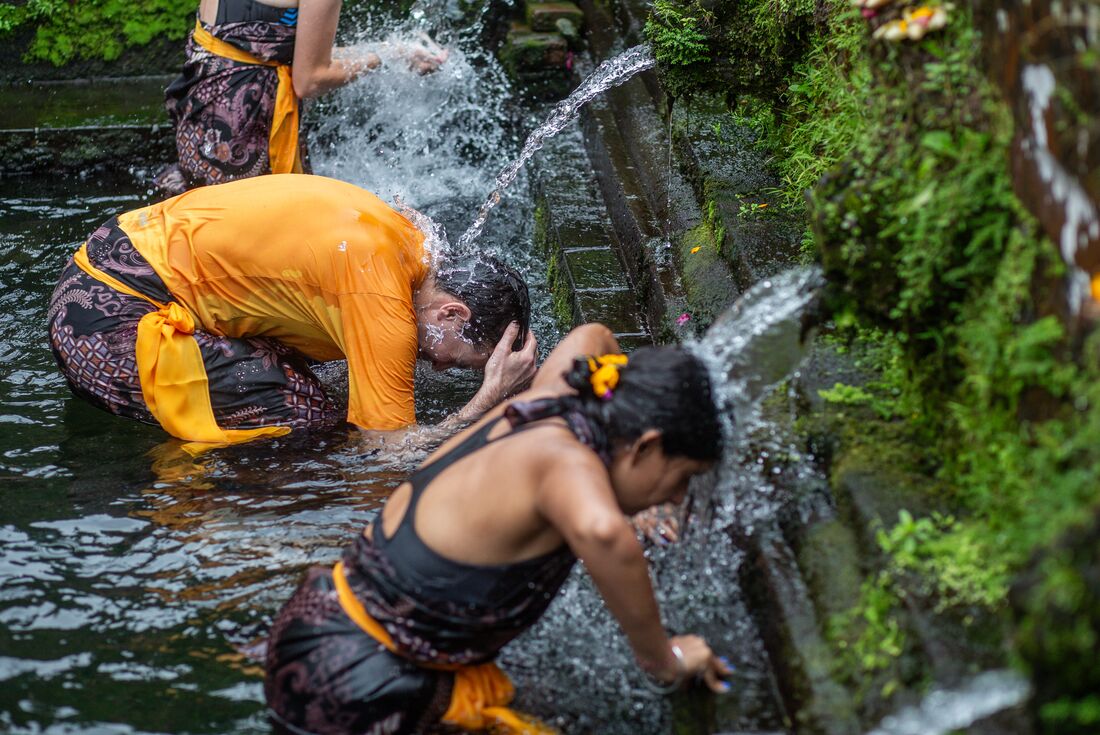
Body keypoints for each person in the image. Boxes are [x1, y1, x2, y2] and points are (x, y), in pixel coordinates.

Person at [263, 323, 732, 735]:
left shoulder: (562, 393)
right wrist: (662, 661)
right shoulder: (562, 462)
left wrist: (624, 490)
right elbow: (605, 534)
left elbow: (592, 334)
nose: (676, 499)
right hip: (356, 688)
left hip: (324, 628)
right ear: (645, 446)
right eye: (681, 479)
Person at [47, 174, 535, 448]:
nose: (442, 366)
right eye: (459, 358)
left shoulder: (409, 236)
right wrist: (485, 401)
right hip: (106, 325)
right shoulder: (383, 303)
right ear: (450, 313)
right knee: (316, 430)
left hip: (100, 263)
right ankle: (201, 517)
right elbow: (387, 455)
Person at [155, 0, 448, 195]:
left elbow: (272, 52)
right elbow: (310, 80)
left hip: (201, 115)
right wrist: (387, 56)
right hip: (243, 130)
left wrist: (393, 51)